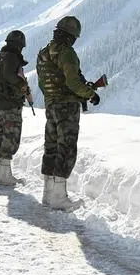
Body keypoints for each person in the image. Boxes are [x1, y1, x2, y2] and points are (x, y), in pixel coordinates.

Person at [36, 16, 99, 208]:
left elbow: (42, 82)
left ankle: (48, 194)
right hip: (67, 107)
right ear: (72, 36)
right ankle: (59, 198)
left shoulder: (44, 52)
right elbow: (72, 82)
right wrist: (90, 93)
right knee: (66, 147)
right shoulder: (67, 53)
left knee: (51, 146)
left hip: (51, 104)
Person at [0, 30, 33, 186]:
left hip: (1, 102)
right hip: (10, 104)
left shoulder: (0, 56)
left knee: (3, 135)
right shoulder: (12, 57)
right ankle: (4, 177)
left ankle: (0, 174)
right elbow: (10, 76)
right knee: (11, 137)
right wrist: (22, 84)